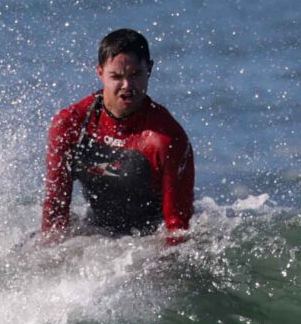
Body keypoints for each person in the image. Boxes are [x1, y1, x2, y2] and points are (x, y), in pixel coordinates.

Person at [41, 28, 194, 242]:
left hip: (146, 242)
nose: (127, 86)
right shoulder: (70, 125)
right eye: (116, 76)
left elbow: (177, 229)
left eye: (135, 75)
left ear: (149, 70)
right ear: (100, 72)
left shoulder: (166, 139)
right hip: (95, 236)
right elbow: (55, 209)